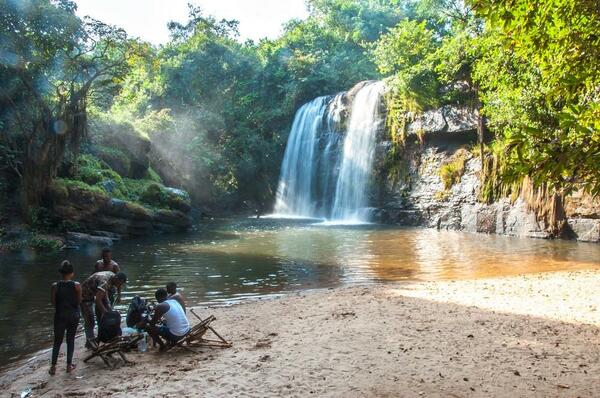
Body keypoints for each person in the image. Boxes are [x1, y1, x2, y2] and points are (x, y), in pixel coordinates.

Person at [49, 261, 81, 375]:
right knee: (70, 340)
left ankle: (53, 367)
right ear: (72, 273)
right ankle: (68, 366)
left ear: (60, 273)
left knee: (57, 341)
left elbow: (53, 302)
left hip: (60, 315)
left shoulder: (55, 286)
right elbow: (79, 301)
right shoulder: (76, 285)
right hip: (73, 315)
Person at [80, 271, 127, 347]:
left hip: (98, 291)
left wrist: (118, 296)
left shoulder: (113, 276)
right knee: (90, 321)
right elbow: (97, 300)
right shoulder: (105, 282)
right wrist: (106, 314)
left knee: (109, 310)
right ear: (116, 278)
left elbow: (113, 287)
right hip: (85, 295)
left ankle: (104, 336)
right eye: (119, 283)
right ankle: (90, 342)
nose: (118, 286)